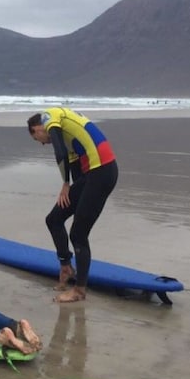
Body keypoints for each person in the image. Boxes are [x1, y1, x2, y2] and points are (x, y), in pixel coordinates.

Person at [27, 108, 118, 303]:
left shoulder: (48, 117)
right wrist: (77, 197)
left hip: (102, 170)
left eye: (38, 139)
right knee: (54, 219)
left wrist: (65, 185)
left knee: (78, 233)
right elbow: (74, 166)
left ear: (37, 128)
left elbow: (58, 151)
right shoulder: (67, 135)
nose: (43, 143)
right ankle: (66, 266)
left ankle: (79, 290)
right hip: (90, 176)